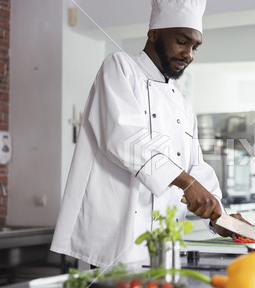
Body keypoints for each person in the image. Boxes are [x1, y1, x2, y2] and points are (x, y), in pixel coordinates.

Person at [51, 0, 237, 268]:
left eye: (195, 47)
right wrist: (187, 183)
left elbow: (197, 166)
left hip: (162, 244)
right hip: (115, 240)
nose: (189, 54)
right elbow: (124, 138)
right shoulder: (120, 67)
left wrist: (222, 217)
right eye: (182, 41)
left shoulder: (182, 102)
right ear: (154, 34)